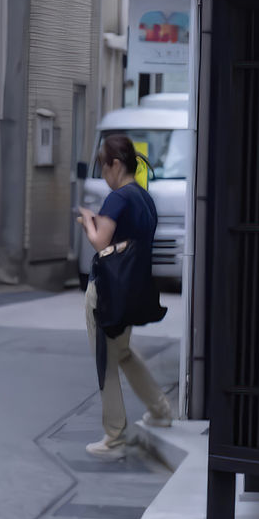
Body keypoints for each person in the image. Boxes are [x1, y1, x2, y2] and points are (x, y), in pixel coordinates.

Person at [78, 130, 173, 455]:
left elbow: (100, 242)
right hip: (131, 289)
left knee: (106, 358)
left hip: (107, 289)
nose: (104, 174)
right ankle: (160, 410)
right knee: (122, 352)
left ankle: (114, 433)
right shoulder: (144, 198)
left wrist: (88, 221)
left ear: (116, 165)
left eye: (104, 166)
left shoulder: (117, 198)